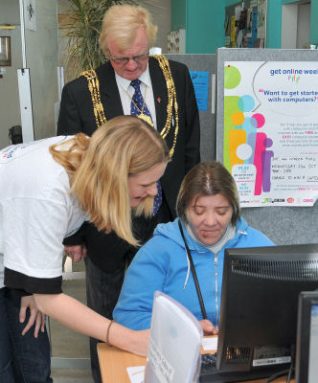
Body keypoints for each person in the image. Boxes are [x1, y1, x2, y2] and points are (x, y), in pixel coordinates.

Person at [57, 4, 200, 381]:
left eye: (139, 56)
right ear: (106, 50)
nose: (133, 66)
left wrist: (192, 213)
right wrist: (72, 236)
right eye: (121, 60)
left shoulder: (178, 78)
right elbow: (71, 167)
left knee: (168, 311)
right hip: (104, 224)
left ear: (149, 43)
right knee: (105, 316)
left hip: (166, 217)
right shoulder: (80, 92)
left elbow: (189, 150)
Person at [0, 115, 169, 382]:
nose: (153, 192)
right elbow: (49, 299)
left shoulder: (94, 156)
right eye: (146, 184)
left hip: (10, 254)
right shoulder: (47, 190)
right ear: (116, 174)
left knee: (33, 367)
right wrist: (127, 338)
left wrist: (31, 279)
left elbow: (39, 232)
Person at [113, 161, 274, 331]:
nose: (210, 222)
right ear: (184, 210)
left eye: (221, 211)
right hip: (176, 353)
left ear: (234, 210)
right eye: (199, 211)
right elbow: (128, 317)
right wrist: (184, 328)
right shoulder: (158, 251)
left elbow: (288, 307)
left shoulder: (259, 247)